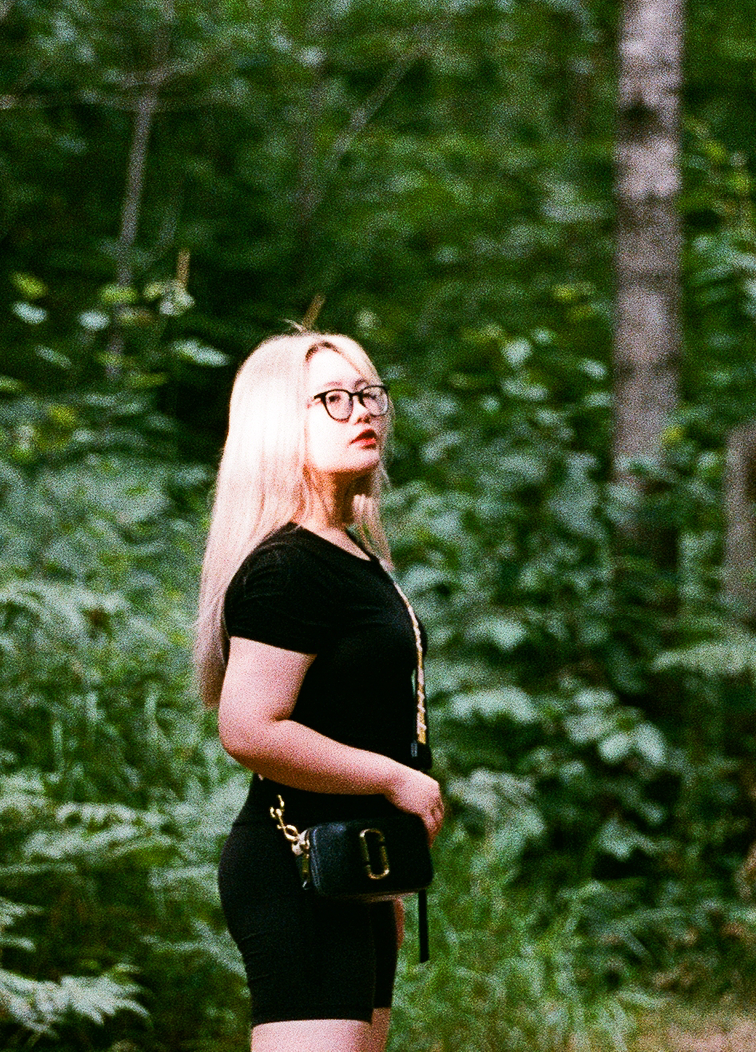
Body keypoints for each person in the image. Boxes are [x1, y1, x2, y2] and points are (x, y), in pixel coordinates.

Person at [195, 331, 445, 1052]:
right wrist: (394, 780)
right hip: (295, 866)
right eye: (332, 399)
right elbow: (250, 727)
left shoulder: (349, 553)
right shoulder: (287, 567)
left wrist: (386, 870)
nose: (361, 411)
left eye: (368, 394)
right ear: (278, 424)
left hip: (352, 867)